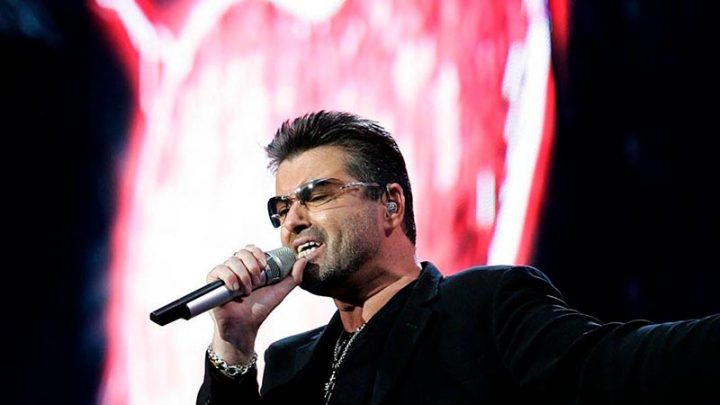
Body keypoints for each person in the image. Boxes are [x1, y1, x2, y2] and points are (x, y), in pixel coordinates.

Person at [197, 111, 719, 405]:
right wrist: (234, 344)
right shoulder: (289, 364)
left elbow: (625, 365)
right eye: (281, 207)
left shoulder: (483, 310)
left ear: (391, 205)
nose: (292, 220)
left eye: (317, 194)